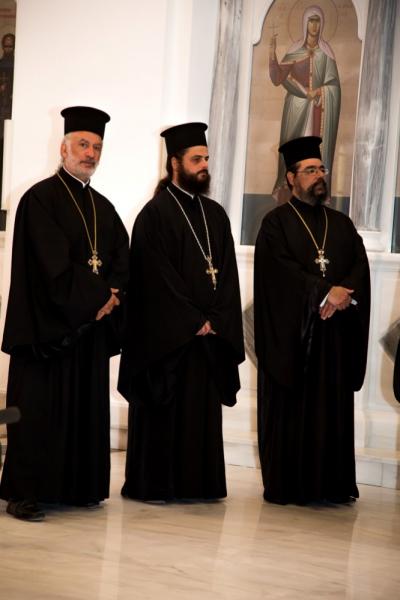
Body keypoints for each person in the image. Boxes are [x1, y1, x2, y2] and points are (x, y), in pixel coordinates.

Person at [0, 106, 129, 521]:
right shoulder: (40, 199)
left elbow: (121, 258)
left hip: (88, 331)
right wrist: (100, 297)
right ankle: (25, 494)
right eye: (83, 144)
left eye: (97, 147)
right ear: (64, 148)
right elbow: (50, 264)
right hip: (46, 331)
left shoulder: (105, 208)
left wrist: (112, 295)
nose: (90, 153)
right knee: (38, 414)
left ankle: (77, 489)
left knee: (81, 413)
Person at [118, 122, 244, 502]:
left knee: (200, 413)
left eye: (206, 158)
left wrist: (216, 320)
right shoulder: (154, 215)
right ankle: (157, 486)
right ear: (175, 163)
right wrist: (193, 320)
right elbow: (154, 279)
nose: (204, 165)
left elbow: (227, 275)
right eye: (196, 159)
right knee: (166, 412)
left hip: (208, 339)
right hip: (168, 344)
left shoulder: (215, 215)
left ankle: (199, 485)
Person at [254, 136, 370, 505]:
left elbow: (359, 266)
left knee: (331, 411)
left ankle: (332, 485)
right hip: (294, 343)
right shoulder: (275, 224)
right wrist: (323, 292)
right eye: (310, 170)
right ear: (291, 178)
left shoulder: (341, 224)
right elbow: (278, 274)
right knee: (295, 411)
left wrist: (341, 293)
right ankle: (291, 485)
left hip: (334, 339)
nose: (319, 176)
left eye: (321, 169)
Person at [269, 6, 341, 203]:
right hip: (295, 110)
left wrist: (321, 91)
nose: (314, 26)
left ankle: (315, 195)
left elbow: (334, 84)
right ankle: (288, 194)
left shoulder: (326, 54)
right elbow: (278, 77)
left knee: (313, 154)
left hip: (318, 110)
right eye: (311, 21)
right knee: (292, 154)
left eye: (317, 21)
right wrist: (272, 53)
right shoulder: (295, 50)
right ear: (304, 24)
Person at [0, 32, 15, 119]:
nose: (8, 48)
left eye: (10, 46)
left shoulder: (17, 63)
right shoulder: (1, 62)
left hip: (11, 99)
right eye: (6, 46)